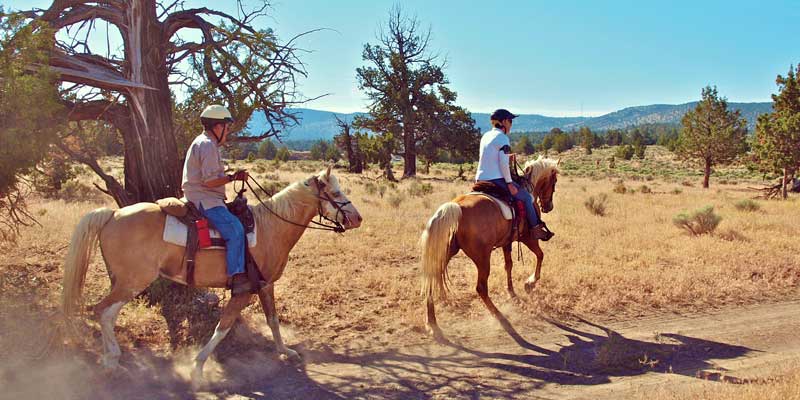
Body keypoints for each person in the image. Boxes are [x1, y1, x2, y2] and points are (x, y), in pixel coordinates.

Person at [181, 104, 252, 295]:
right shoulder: (207, 145)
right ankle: (237, 278)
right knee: (235, 229)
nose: (227, 132)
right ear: (217, 126)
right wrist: (233, 178)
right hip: (205, 200)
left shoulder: (203, 142)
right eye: (226, 127)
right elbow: (210, 182)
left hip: (201, 196)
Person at [476, 108, 554, 240]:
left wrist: (507, 156)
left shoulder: (486, 136)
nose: (511, 124)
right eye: (510, 121)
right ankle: (536, 229)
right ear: (504, 122)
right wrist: (509, 183)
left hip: (480, 179)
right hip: (496, 180)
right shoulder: (503, 138)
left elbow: (488, 157)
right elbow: (502, 163)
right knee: (527, 198)